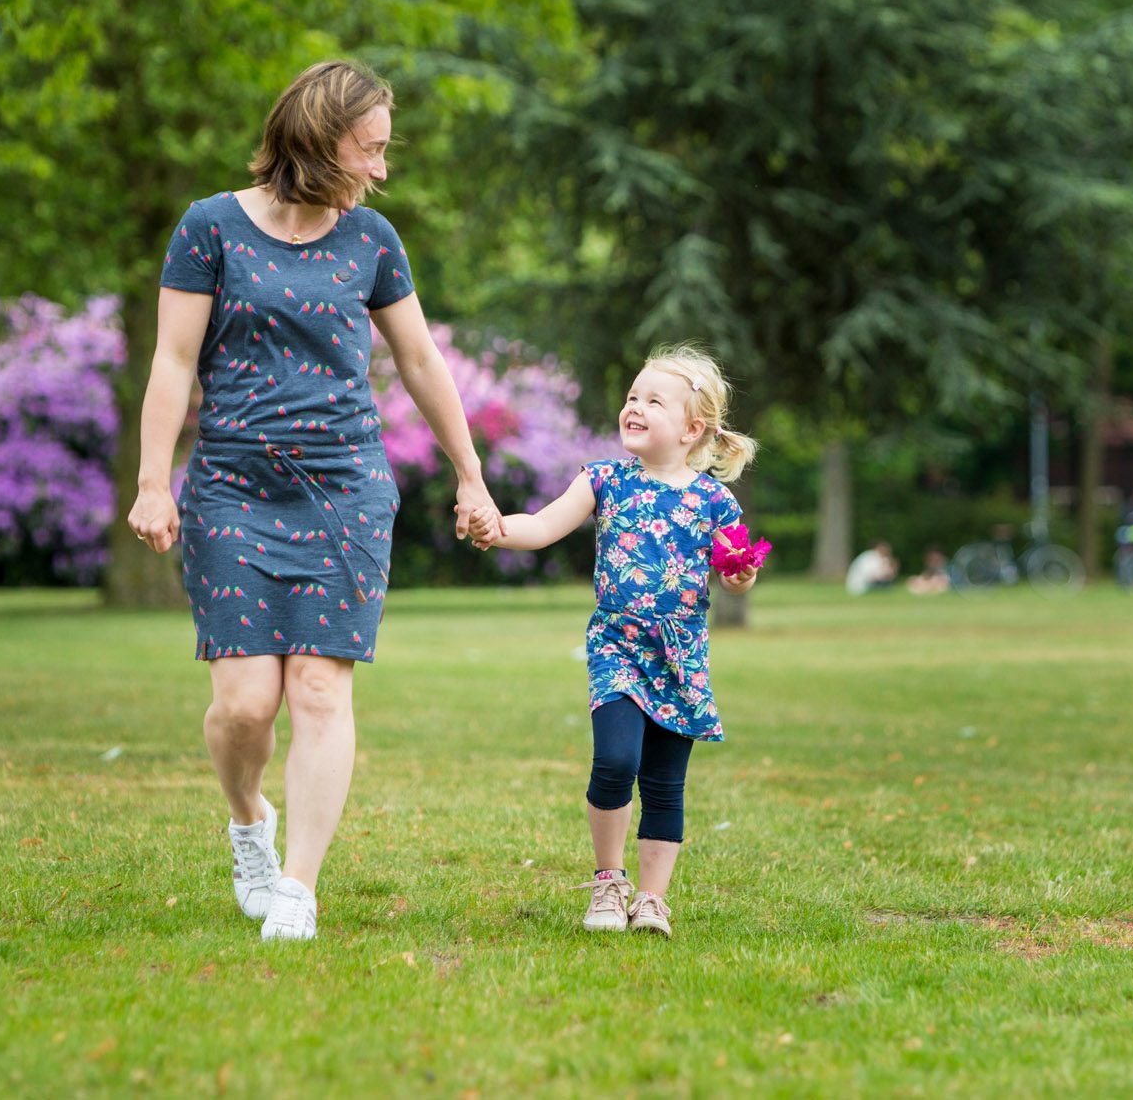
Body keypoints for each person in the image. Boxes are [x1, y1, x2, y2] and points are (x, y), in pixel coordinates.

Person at [126, 60, 505, 942]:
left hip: (344, 491)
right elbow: (173, 361)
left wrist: (470, 472)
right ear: (319, 137)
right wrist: (153, 479)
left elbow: (419, 361)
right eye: (369, 149)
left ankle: (298, 886)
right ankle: (248, 816)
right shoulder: (209, 227)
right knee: (248, 704)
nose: (381, 169)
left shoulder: (371, 239)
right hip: (232, 490)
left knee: (322, 692)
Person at [468, 343, 758, 938]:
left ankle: (652, 899)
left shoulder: (713, 500)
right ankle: (608, 881)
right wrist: (498, 529)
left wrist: (740, 573)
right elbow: (544, 526)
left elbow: (736, 568)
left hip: (680, 658)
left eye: (654, 401)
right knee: (616, 760)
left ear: (691, 428)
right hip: (616, 649)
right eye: (632, 396)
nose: (635, 407)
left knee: (663, 783)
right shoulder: (603, 480)